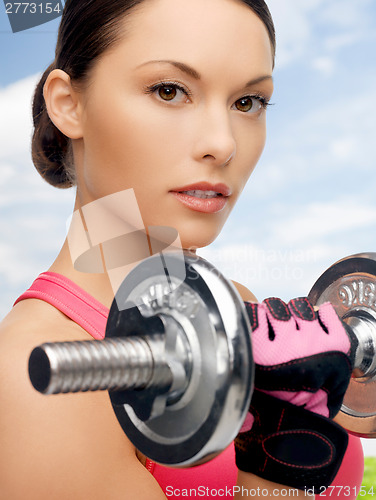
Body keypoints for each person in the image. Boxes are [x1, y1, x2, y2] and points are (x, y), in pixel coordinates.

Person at [0, 0, 364, 498]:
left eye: (248, 102)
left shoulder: (234, 301)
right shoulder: (32, 378)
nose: (223, 143)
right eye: (169, 91)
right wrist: (283, 465)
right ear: (69, 104)